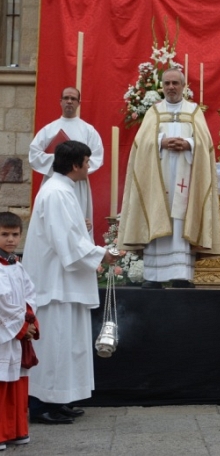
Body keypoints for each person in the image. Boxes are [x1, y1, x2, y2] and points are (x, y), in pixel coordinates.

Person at [22, 141, 119, 425]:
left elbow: (69, 232)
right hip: (54, 283)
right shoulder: (56, 193)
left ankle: (58, 398)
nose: (89, 167)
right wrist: (103, 253)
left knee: (66, 345)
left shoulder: (62, 190)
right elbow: (64, 239)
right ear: (75, 164)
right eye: (87, 162)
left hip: (65, 281)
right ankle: (39, 405)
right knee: (52, 344)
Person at [118, 68, 220, 289]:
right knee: (159, 214)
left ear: (183, 86)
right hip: (159, 178)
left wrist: (189, 144)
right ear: (162, 87)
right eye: (167, 83)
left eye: (175, 83)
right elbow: (140, 144)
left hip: (185, 178)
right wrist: (160, 142)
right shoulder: (154, 112)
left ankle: (180, 275)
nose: (171, 87)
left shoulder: (193, 111)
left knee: (180, 220)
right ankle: (154, 276)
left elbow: (206, 144)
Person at [28, 86, 104, 238]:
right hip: (54, 180)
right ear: (60, 102)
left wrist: (75, 168)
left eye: (73, 99)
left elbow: (97, 157)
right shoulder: (49, 130)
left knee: (79, 220)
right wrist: (62, 161)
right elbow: (34, 155)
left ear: (79, 103)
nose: (69, 101)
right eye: (66, 98)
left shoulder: (88, 130)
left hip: (78, 184)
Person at [0, 212, 38, 448]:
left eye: (15, 234)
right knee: (2, 382)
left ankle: (16, 430)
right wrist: (22, 326)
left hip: (17, 334)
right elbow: (2, 302)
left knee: (17, 382)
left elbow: (30, 293)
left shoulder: (16, 265)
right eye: (4, 234)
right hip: (5, 334)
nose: (10, 239)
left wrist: (31, 320)